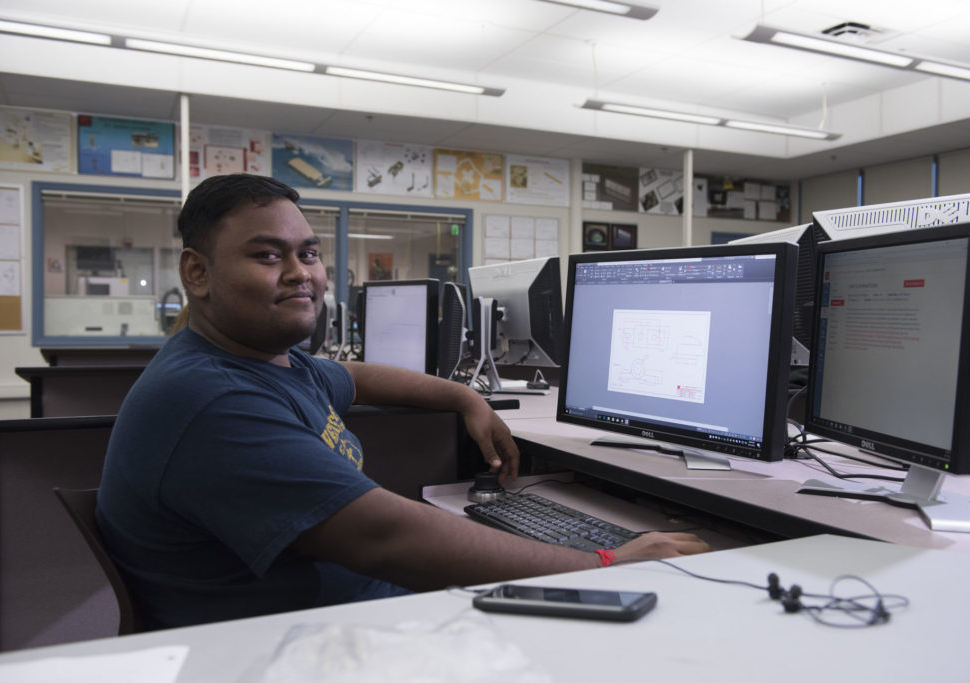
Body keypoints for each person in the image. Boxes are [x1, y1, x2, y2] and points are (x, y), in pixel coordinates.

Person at [96, 173, 710, 630]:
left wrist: (465, 398)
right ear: (197, 273)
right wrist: (603, 562)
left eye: (308, 253)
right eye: (266, 255)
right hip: (299, 648)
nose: (300, 273)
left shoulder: (270, 364)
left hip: (348, 617)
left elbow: (355, 377)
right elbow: (387, 538)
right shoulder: (213, 399)